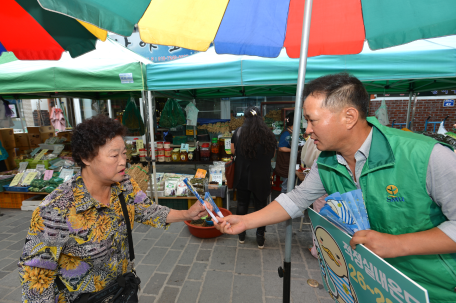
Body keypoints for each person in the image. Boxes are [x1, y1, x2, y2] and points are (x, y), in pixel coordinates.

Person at [214, 73, 456, 302]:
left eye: (312, 120)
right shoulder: (328, 160)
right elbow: (297, 200)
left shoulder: (428, 157)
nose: (307, 130)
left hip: (432, 290)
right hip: (370, 285)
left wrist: (397, 244)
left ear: (349, 117)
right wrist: (245, 221)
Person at [18, 115, 211, 302]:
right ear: (86, 157)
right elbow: (35, 279)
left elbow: (149, 210)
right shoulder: (55, 210)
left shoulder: (124, 185)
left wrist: (188, 213)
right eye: (114, 155)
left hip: (123, 291)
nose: (123, 161)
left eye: (124, 153)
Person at [231, 106, 276, 248]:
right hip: (261, 176)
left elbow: (232, 151)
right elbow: (272, 155)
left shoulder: (238, 133)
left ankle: (241, 235)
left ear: (245, 118)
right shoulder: (269, 134)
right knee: (261, 206)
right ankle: (260, 236)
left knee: (242, 204)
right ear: (260, 118)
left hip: (243, 174)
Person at [275, 111, 294, 193]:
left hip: (290, 163)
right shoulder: (286, 133)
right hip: (286, 164)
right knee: (286, 186)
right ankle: (282, 203)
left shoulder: (292, 132)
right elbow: (281, 148)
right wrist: (293, 151)